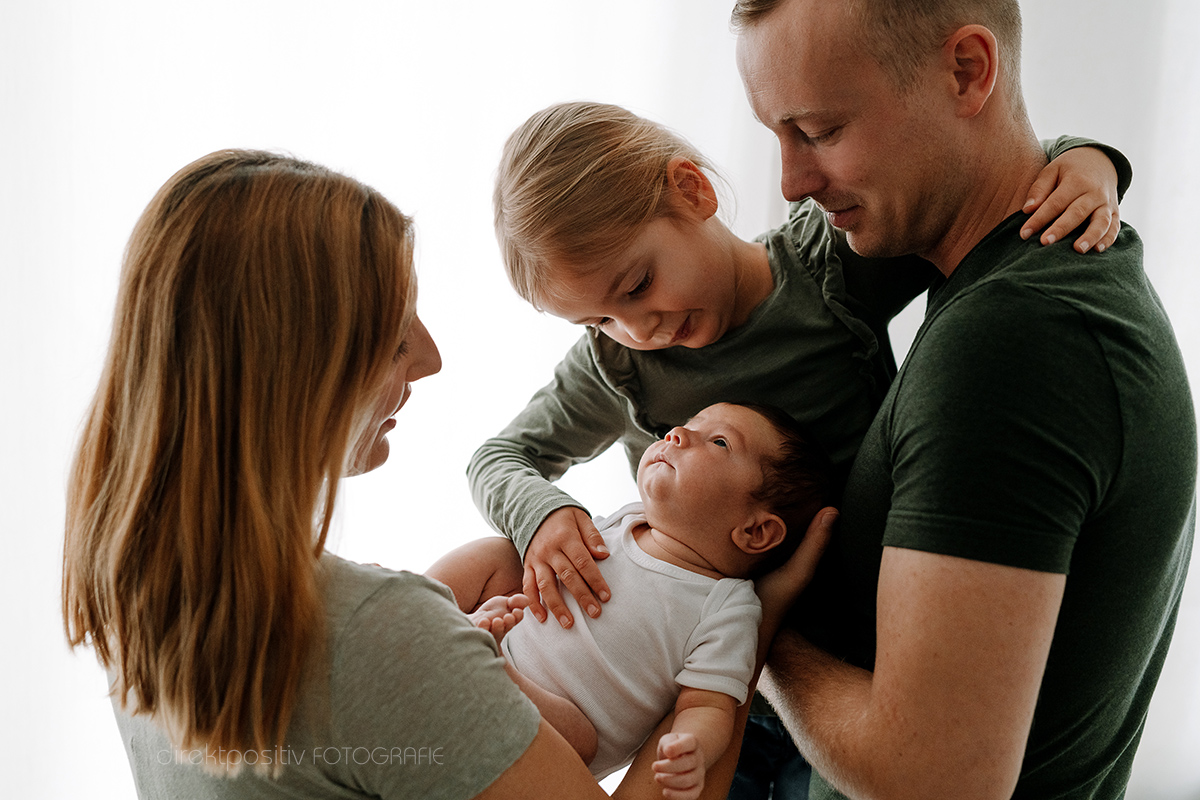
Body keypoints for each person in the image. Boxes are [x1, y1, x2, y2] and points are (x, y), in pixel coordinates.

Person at [470, 101, 1129, 797]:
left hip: (861, 664)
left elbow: (979, 194)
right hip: (716, 680)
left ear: (692, 191)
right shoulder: (615, 366)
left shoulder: (825, 271)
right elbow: (500, 457)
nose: (638, 327)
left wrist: (1090, 162)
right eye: (598, 318)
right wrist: (540, 513)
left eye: (636, 285)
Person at [60, 149, 745, 800]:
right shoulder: (372, 638)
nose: (430, 357)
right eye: (393, 336)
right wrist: (733, 649)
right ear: (292, 374)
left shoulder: (137, 597)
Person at [731, 1, 1197, 799]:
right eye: (777, 136)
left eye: (820, 131)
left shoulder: (1019, 337)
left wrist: (746, 623)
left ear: (967, 71)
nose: (793, 183)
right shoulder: (1047, 267)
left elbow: (934, 779)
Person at [432, 402, 830, 797]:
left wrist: (695, 747)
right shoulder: (624, 521)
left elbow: (707, 706)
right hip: (492, 656)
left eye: (720, 442)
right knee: (497, 555)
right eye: (689, 422)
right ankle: (419, 599)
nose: (678, 433)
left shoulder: (728, 609)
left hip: (546, 731)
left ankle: (486, 660)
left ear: (756, 531)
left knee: (580, 739)